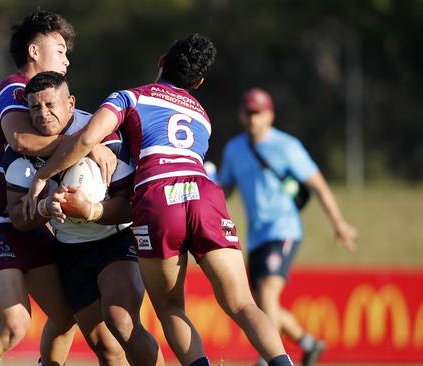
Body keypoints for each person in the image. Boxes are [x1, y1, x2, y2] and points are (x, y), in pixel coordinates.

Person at [24, 34, 294, 366]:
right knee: (242, 303)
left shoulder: (129, 98)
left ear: (161, 61)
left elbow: (86, 139)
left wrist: (42, 175)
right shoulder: (202, 116)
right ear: (198, 81)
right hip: (204, 192)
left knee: (170, 307)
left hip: (158, 196)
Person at [0, 9, 117, 366]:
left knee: (65, 314)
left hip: (27, 220)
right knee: (14, 325)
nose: (66, 59)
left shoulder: (44, 98)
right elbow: (22, 140)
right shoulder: (14, 88)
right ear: (34, 51)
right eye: (59, 49)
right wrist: (88, 144)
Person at [3, 71, 164, 365]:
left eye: (50, 104)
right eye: (34, 107)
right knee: (104, 347)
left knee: (122, 323)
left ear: (70, 103)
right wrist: (44, 209)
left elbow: (130, 205)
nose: (42, 114)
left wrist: (91, 210)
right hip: (70, 251)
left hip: (115, 240)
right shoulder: (19, 150)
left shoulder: (103, 133)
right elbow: (18, 217)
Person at [218, 87, 358, 366]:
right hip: (256, 235)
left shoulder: (287, 146)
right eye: (248, 113)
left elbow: (317, 184)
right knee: (259, 304)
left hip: (283, 229)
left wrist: (339, 223)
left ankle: (269, 357)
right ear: (240, 115)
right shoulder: (234, 149)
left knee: (269, 291)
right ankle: (308, 343)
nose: (253, 119)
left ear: (270, 115)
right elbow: (225, 188)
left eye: (258, 113)